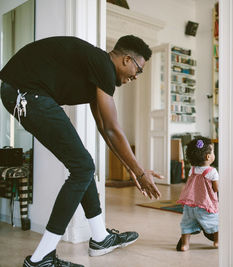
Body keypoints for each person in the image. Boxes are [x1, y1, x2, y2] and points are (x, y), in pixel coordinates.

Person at [0, 35, 163, 267]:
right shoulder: (102, 66)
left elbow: (106, 130)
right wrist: (140, 172)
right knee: (83, 167)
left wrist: (131, 170)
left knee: (83, 165)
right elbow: (114, 129)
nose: (135, 77)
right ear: (127, 59)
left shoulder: (97, 71)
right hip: (27, 93)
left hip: (23, 92)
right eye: (138, 69)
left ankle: (100, 238)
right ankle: (40, 259)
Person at [176, 136, 219, 251]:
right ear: (208, 156)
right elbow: (216, 188)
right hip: (205, 204)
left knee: (187, 224)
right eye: (213, 152)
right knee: (215, 222)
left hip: (190, 204)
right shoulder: (212, 171)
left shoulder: (193, 169)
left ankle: (185, 245)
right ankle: (217, 241)